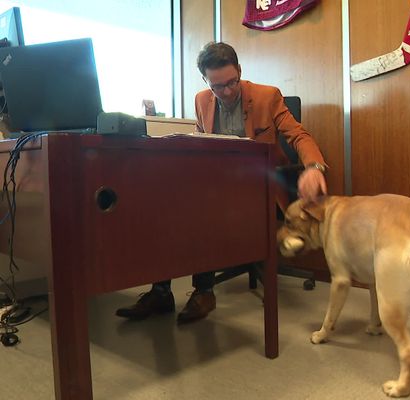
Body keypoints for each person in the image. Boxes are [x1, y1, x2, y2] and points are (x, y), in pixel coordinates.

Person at [116, 42, 328, 323]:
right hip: (217, 184)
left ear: (239, 71)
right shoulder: (202, 100)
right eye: (218, 86)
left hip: (260, 186)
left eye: (232, 82)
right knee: (165, 203)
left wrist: (314, 167)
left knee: (201, 208)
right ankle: (161, 292)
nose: (226, 92)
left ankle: (204, 291)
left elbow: (299, 136)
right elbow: (202, 146)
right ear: (206, 80)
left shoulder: (268, 97)